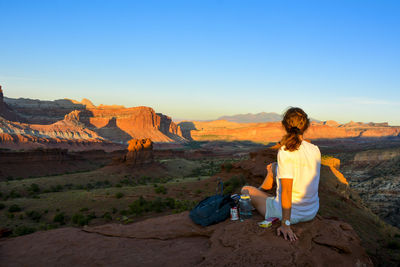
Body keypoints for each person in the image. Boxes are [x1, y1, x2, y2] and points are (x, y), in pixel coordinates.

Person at [241, 107, 321, 242]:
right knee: (273, 169)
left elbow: (287, 191)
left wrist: (286, 225)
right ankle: (264, 193)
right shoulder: (315, 150)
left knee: (246, 190)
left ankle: (258, 201)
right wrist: (274, 168)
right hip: (311, 211)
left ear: (285, 125)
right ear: (306, 126)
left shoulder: (285, 151)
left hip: (294, 215)